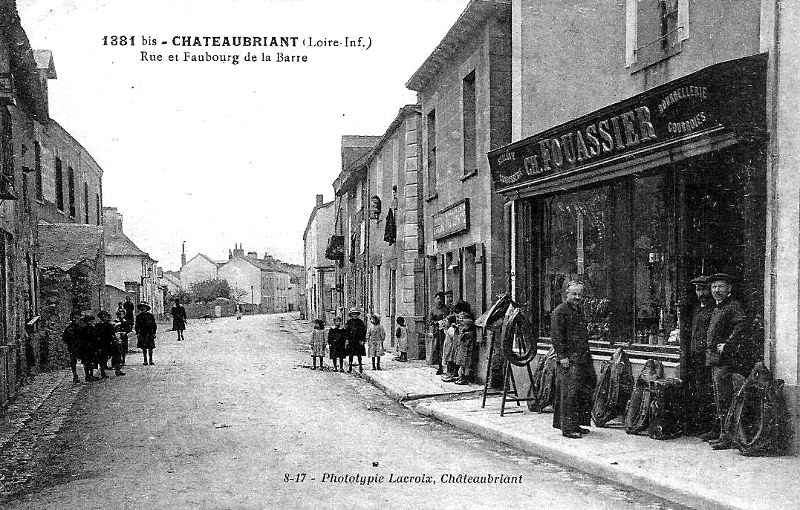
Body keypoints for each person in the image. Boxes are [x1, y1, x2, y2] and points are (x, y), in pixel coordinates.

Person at [705, 273, 748, 450]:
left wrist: (728, 345)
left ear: (729, 289)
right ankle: (723, 433)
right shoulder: (718, 308)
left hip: (725, 361)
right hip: (715, 360)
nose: (717, 290)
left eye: (721, 286)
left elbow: (742, 326)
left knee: (725, 399)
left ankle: (728, 436)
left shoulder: (733, 306)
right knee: (718, 398)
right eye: (714, 287)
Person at [551, 282, 596, 439]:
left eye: (580, 295)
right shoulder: (560, 311)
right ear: (566, 294)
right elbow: (556, 336)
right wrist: (562, 356)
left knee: (581, 392)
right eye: (574, 294)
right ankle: (568, 428)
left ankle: (577, 423)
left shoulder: (579, 311)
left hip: (582, 357)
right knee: (568, 393)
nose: (577, 297)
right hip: (569, 360)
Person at [684, 275, 716, 439]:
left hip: (707, 356)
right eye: (698, 290)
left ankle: (710, 426)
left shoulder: (713, 309)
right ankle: (701, 425)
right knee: (699, 390)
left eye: (704, 289)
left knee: (708, 391)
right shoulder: (697, 309)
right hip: (696, 355)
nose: (701, 293)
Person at [95, 311, 125, 377]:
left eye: (105, 317)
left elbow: (113, 333)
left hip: (111, 343)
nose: (104, 318)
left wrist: (116, 339)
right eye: (102, 317)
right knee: (103, 358)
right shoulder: (98, 326)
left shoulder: (110, 325)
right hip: (103, 343)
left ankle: (118, 370)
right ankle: (103, 372)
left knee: (117, 355)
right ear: (100, 318)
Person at [453, 310, 477, 385]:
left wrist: (460, 330)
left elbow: (462, 333)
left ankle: (465, 378)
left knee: (466, 364)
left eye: (461, 318)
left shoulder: (467, 324)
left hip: (467, 348)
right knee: (462, 364)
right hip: (464, 348)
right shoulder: (465, 325)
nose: (460, 320)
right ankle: (462, 376)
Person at [75, 311, 99, 382]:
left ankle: (88, 375)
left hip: (85, 347)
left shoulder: (83, 328)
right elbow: (93, 337)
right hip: (88, 347)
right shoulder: (88, 328)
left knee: (87, 362)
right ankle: (89, 375)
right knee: (89, 361)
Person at [429, 291, 450, 375]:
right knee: (437, 349)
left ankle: (448, 368)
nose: (439, 300)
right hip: (437, 332)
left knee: (446, 349)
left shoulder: (446, 309)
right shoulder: (433, 310)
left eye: (441, 299)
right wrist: (437, 322)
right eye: (438, 299)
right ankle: (440, 367)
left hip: (445, 332)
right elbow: (430, 321)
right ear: (435, 300)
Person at [62, 310, 82, 383]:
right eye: (74, 318)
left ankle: (88, 374)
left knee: (86, 360)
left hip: (82, 345)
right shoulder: (69, 328)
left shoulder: (81, 326)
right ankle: (75, 375)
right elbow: (64, 337)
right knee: (73, 360)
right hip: (73, 346)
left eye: (77, 318)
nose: (75, 319)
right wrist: (70, 343)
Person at [345, 308, 367, 373]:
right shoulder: (349, 322)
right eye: (353, 314)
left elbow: (363, 332)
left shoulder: (361, 322)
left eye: (356, 314)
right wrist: (347, 339)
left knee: (359, 354)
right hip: (351, 340)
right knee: (350, 354)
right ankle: (350, 367)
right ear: (351, 315)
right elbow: (347, 332)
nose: (355, 315)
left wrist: (363, 340)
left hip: (358, 340)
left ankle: (360, 366)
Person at [440, 315, 458, 381]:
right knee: (449, 362)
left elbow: (454, 337)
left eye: (447, 321)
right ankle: (449, 375)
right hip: (448, 347)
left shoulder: (451, 329)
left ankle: (450, 375)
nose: (445, 322)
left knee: (450, 362)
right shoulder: (449, 329)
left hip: (450, 348)